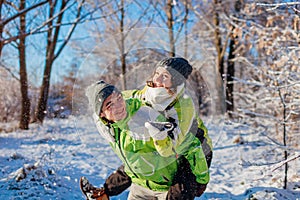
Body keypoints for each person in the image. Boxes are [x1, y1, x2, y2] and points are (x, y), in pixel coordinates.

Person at [81, 80, 210, 200]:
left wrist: (201, 180)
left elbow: (191, 145)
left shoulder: (147, 117)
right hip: (140, 186)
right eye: (109, 105)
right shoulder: (109, 129)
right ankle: (103, 193)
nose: (118, 106)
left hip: (168, 186)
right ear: (101, 114)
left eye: (119, 98)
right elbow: (132, 162)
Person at [123, 57, 213, 168]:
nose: (157, 80)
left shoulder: (184, 105)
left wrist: (159, 136)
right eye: (157, 73)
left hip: (194, 151)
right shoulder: (149, 90)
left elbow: (169, 148)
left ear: (175, 81)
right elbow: (133, 96)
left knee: (180, 182)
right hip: (163, 149)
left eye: (165, 76)